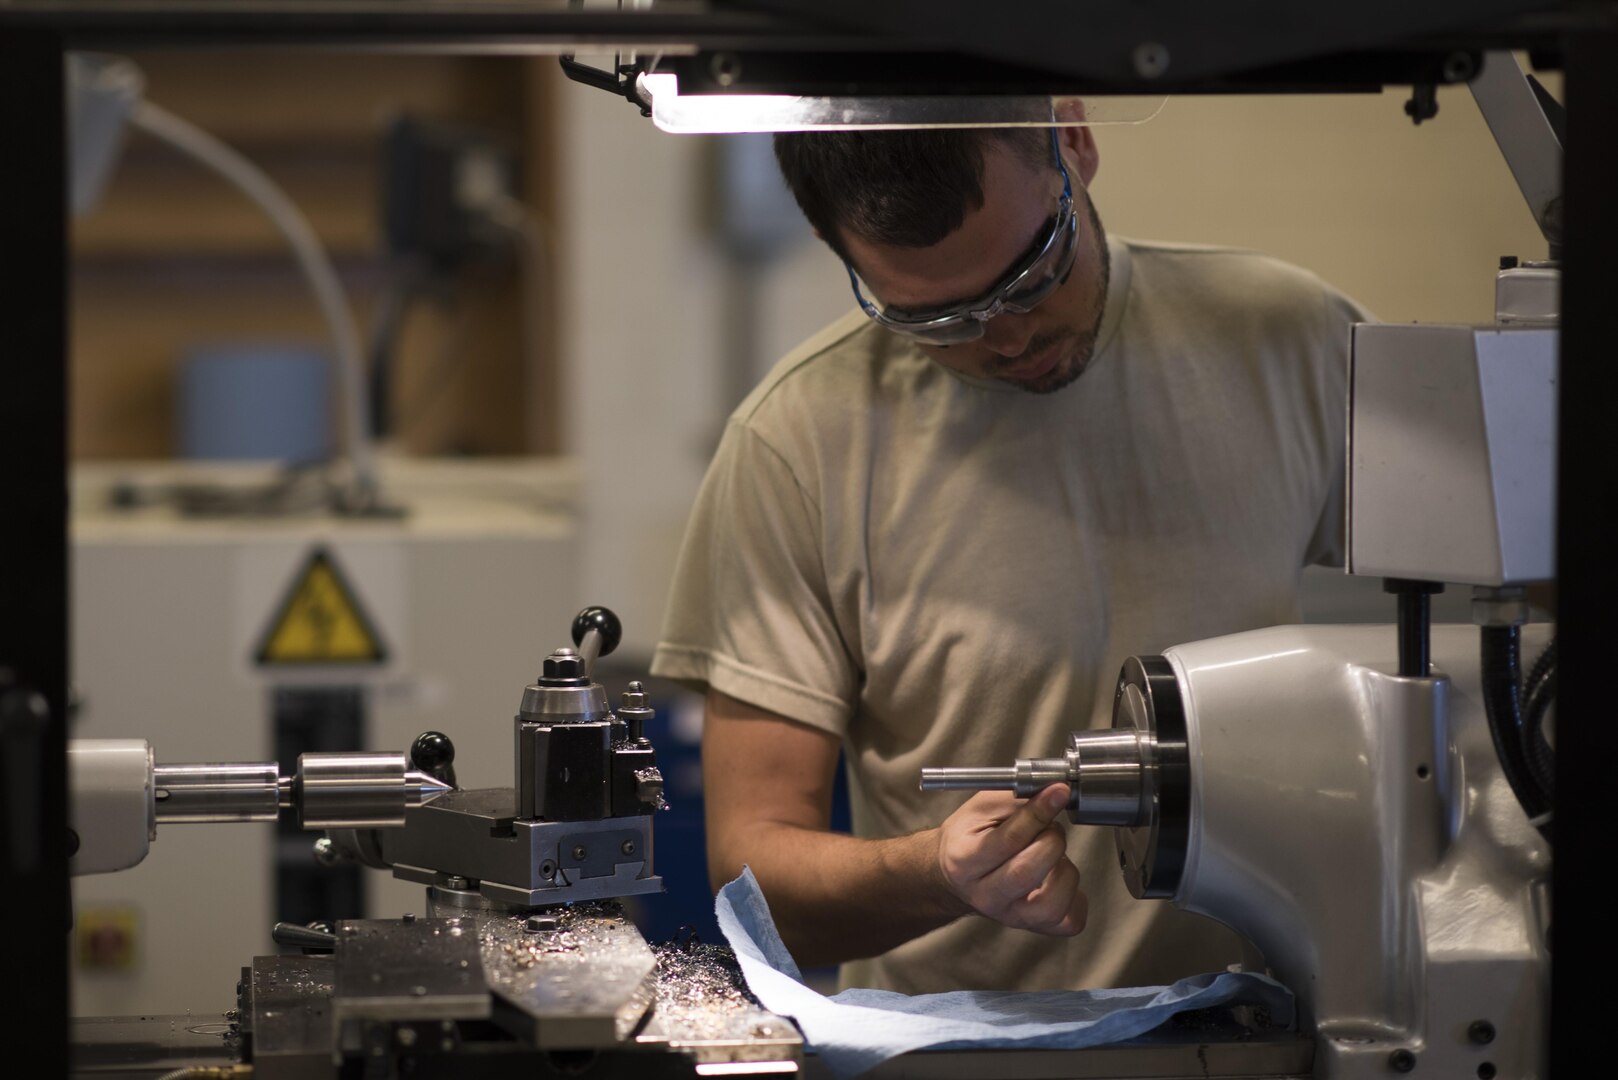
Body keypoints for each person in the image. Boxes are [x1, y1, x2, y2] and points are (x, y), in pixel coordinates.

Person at [650, 114, 1365, 994]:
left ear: (1074, 142)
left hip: (1263, 1033)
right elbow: (752, 883)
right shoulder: (795, 445)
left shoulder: (1289, 341)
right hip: (959, 1049)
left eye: (1033, 276)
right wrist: (934, 875)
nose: (1007, 339)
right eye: (934, 318)